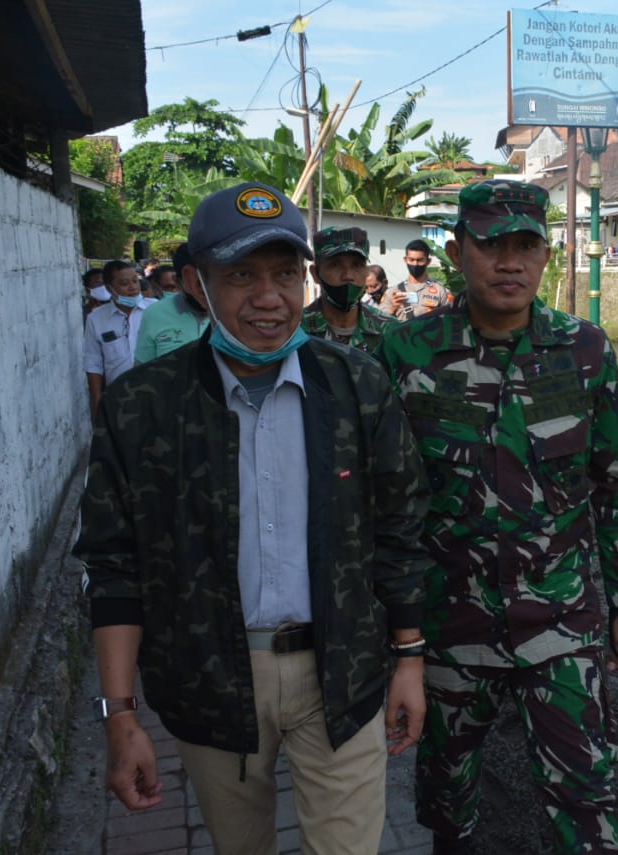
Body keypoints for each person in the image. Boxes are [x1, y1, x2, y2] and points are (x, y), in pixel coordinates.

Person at [74, 181, 431, 855]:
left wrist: (408, 657)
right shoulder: (143, 407)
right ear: (194, 284)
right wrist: (119, 713)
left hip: (343, 671)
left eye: (285, 275)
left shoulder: (356, 385)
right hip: (209, 679)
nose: (269, 298)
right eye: (241, 276)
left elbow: (399, 528)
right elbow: (114, 564)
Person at [377, 179, 618, 854]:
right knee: (448, 803)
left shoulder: (584, 350)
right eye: (492, 245)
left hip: (560, 621)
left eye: (526, 245)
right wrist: (396, 638)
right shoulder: (405, 352)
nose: (510, 262)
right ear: (457, 251)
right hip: (449, 626)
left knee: (590, 799)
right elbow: (384, 504)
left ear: (546, 255)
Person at [301, 227, 399, 353]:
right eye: (335, 265)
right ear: (315, 274)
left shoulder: (390, 330)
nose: (348, 275)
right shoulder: (294, 330)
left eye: (357, 265)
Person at [84, 259, 146, 422]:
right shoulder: (96, 319)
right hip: (118, 397)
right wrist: (97, 403)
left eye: (135, 281)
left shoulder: (155, 310)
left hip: (153, 394)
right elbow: (93, 363)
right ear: (110, 288)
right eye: (125, 283)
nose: (133, 287)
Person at [133, 244, 209, 364]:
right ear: (178, 281)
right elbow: (141, 372)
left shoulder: (234, 311)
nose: (204, 290)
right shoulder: (154, 314)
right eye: (198, 282)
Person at [391, 238, 452, 320]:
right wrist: (392, 309)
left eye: (420, 260)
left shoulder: (441, 292)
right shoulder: (392, 292)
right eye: (411, 260)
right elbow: (380, 325)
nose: (415, 264)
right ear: (405, 260)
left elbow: (451, 320)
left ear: (428, 261)